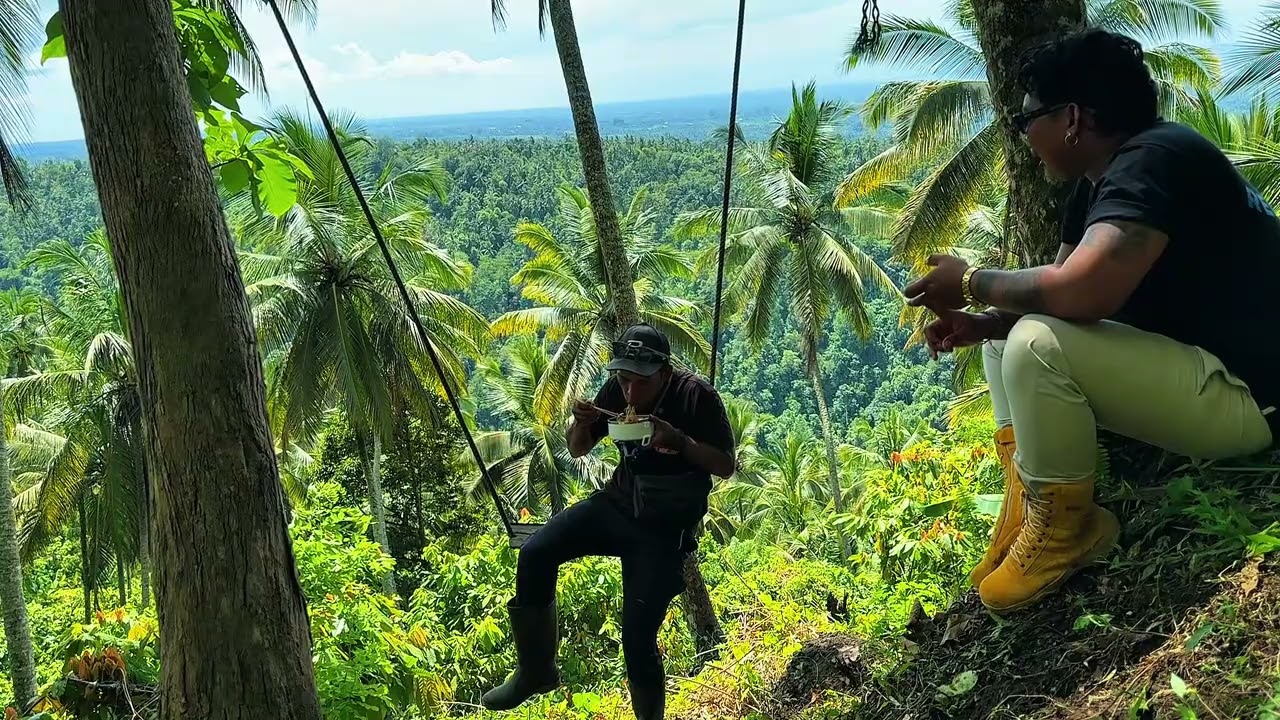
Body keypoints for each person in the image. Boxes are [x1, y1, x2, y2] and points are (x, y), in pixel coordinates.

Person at [904, 28, 1280, 614]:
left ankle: (1071, 529)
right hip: (1206, 370)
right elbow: (1056, 297)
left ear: (1072, 117)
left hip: (1253, 397)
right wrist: (982, 324)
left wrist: (972, 280)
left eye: (1027, 119)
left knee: (1034, 343)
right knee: (1006, 344)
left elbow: (1084, 291)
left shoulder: (1153, 161)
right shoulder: (1098, 183)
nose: (1024, 135)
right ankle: (1031, 500)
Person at [481, 323, 736, 719]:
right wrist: (581, 422)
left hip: (664, 528)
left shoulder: (696, 395)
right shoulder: (618, 389)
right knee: (535, 552)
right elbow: (579, 448)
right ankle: (535, 671)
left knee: (636, 638)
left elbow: (725, 465)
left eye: (639, 383)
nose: (630, 392)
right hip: (618, 503)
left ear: (664, 374)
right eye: (623, 379)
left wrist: (680, 442)